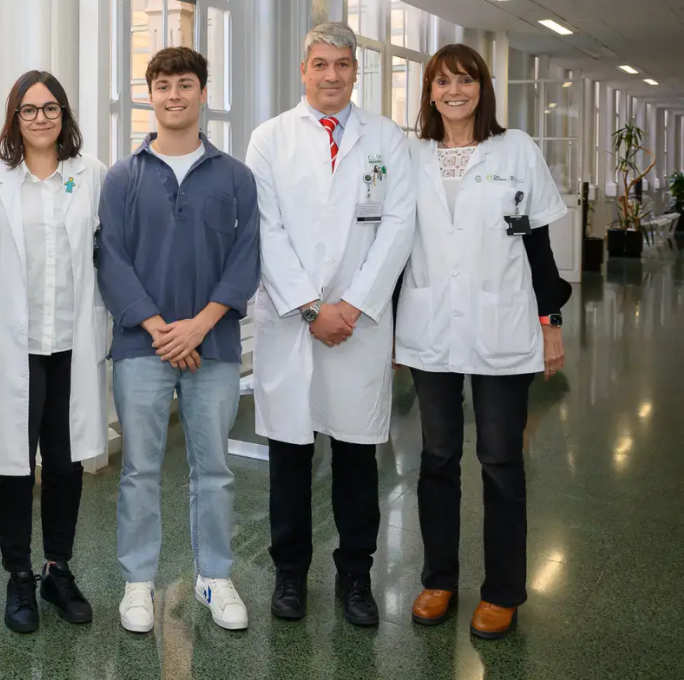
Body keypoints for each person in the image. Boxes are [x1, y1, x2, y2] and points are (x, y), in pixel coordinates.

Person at [245, 21, 416, 627]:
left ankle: (356, 578)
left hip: (359, 324)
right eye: (321, 64)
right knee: (290, 454)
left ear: (355, 72)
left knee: (356, 456)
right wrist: (312, 308)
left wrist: (355, 303)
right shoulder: (269, 139)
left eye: (343, 65)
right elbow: (265, 230)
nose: (332, 75)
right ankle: (290, 575)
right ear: (304, 69)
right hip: (294, 322)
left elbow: (399, 225)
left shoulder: (387, 139)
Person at [398, 43, 569, 640]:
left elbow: (537, 245)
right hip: (430, 325)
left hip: (503, 324)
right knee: (436, 458)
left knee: (500, 462)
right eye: (442, 81)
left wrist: (551, 322)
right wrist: (394, 325)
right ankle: (439, 579)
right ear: (429, 91)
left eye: (465, 80)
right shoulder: (410, 154)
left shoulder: (515, 148)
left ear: (482, 87)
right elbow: (395, 246)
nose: (454, 91)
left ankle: (502, 593)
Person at [98, 46, 260, 634]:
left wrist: (199, 325)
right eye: (162, 85)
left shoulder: (235, 177)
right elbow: (111, 258)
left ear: (202, 94)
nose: (173, 95)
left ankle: (214, 575)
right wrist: (159, 328)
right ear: (151, 95)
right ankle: (138, 581)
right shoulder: (124, 176)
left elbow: (246, 261)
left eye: (184, 84)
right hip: (142, 347)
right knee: (140, 468)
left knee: (212, 467)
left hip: (212, 346)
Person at [0, 71, 109, 634]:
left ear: (64, 115)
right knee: (13, 467)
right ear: (14, 117)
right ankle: (18, 575)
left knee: (66, 465)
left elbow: (111, 250)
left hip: (73, 342)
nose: (41, 118)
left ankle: (58, 570)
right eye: (29, 109)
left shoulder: (90, 174)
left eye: (50, 108)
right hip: (13, 346)